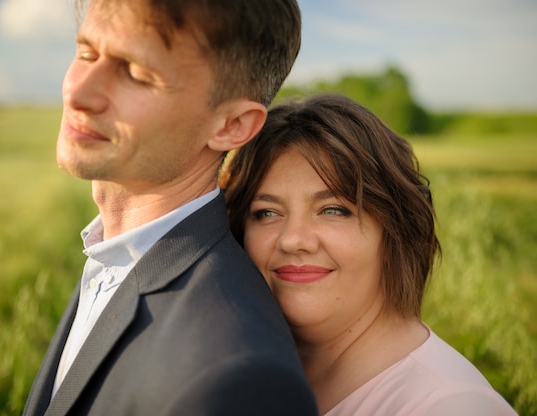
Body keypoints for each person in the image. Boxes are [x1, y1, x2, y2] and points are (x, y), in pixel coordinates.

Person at [23, 0, 318, 415]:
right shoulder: (115, 253)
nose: (77, 91)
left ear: (232, 125)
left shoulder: (239, 379)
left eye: (136, 73)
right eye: (86, 53)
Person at [222, 93, 518, 416]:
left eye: (333, 210)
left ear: (394, 230)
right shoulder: (251, 376)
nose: (293, 240)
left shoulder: (449, 406)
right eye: (266, 213)